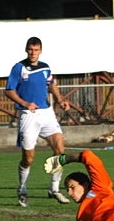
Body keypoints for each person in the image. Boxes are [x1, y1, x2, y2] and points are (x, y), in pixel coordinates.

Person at [5, 36, 71, 207]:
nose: (33, 53)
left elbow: (51, 84)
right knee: (28, 159)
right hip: (28, 115)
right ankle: (22, 189)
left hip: (46, 113)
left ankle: (54, 188)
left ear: (40, 50)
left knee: (60, 150)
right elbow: (9, 90)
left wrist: (60, 99)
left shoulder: (45, 67)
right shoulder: (19, 68)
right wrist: (25, 103)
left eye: (36, 50)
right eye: (30, 49)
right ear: (26, 50)